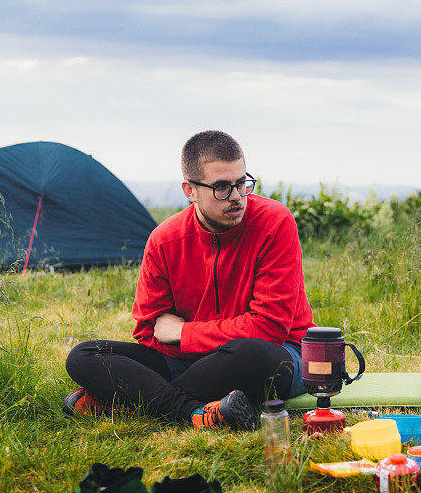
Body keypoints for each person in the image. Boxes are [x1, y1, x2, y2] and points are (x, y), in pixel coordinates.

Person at [64, 130, 314, 430]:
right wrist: (197, 345)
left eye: (240, 183)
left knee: (250, 352)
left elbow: (268, 328)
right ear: (189, 190)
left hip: (281, 354)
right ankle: (194, 412)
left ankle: (131, 401)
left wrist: (184, 333)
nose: (236, 197)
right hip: (189, 363)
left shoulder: (274, 222)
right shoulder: (164, 241)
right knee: (84, 356)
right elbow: (148, 334)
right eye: (221, 187)